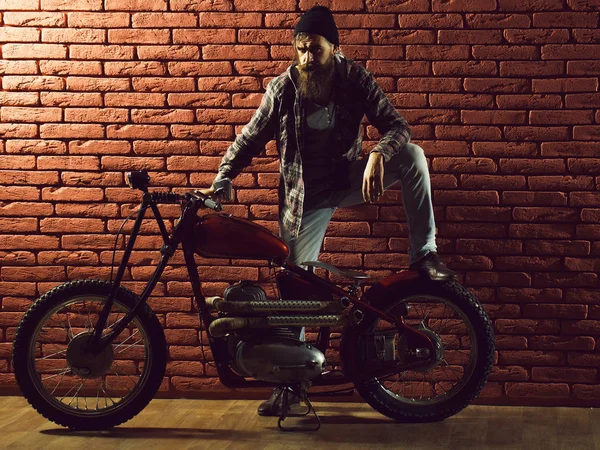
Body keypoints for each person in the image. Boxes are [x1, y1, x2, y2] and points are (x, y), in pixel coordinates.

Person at [200, 5, 456, 416]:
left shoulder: (354, 78)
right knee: (294, 285)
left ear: (334, 48)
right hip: (305, 198)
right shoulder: (283, 88)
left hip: (348, 179)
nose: (305, 58)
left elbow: (398, 125)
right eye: (300, 49)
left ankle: (425, 254)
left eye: (314, 49)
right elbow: (248, 140)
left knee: (413, 155)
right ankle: (291, 383)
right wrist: (223, 179)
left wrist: (377, 154)